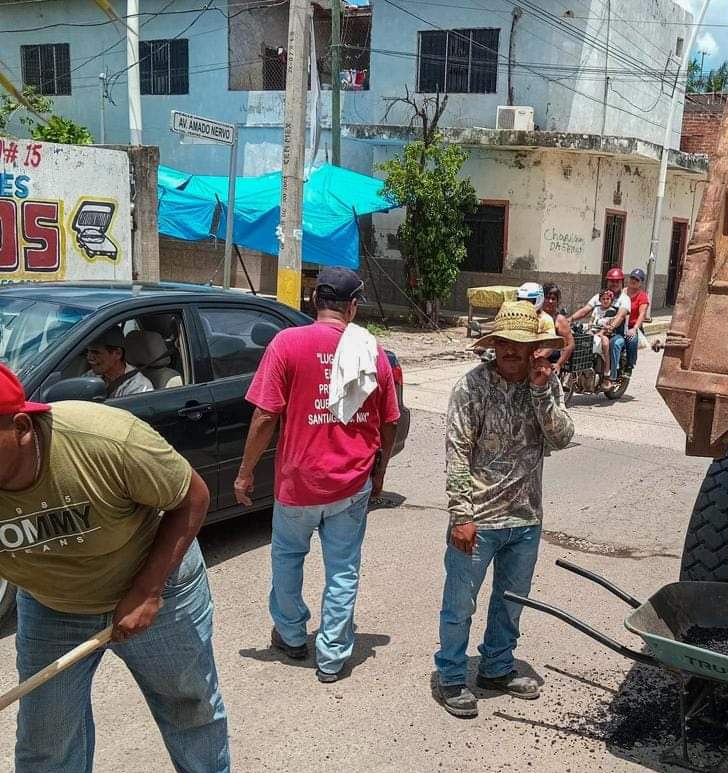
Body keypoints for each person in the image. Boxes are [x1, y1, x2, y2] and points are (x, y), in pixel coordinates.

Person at [0, 364, 260, 773]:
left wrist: (146, 591)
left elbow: (191, 497)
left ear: (20, 426)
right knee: (45, 734)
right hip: (52, 605)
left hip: (157, 585)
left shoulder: (102, 439)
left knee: (189, 700)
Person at [234, 267, 400, 684]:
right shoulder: (370, 349)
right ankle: (331, 658)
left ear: (314, 302)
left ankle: (291, 636)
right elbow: (390, 421)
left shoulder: (287, 343)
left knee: (288, 559)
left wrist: (245, 472)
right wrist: (380, 471)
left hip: (297, 483)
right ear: (354, 306)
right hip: (351, 482)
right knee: (343, 569)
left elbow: (265, 415)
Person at [434, 300, 574, 718]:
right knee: (460, 604)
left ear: (535, 347)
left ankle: (496, 666)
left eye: (522, 343)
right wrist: (461, 515)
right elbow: (457, 451)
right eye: (505, 343)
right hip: (478, 519)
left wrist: (541, 391)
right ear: (494, 344)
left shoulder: (545, 383)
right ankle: (452, 676)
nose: (512, 350)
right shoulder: (471, 387)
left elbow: (563, 437)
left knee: (511, 601)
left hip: (526, 518)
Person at [570, 267, 630, 385]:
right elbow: (585, 310)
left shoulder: (624, 299)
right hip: (596, 330)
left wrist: (611, 327)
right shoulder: (599, 296)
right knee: (580, 340)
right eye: (612, 281)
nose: (614, 283)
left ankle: (609, 376)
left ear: (622, 282)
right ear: (607, 281)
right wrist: (569, 319)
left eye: (617, 281)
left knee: (612, 344)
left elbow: (620, 316)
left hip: (615, 333)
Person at [85, 327, 153, 399]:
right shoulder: (91, 376)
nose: (89, 357)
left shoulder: (139, 387)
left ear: (118, 353)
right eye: (87, 352)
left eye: (96, 352)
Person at [541, 282, 576, 373]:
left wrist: (559, 364)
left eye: (553, 299)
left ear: (557, 301)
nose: (550, 301)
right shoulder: (536, 315)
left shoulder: (559, 320)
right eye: (547, 298)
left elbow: (570, 344)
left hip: (551, 358)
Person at [622, 267, 651, 374]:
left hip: (632, 326)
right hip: (619, 324)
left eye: (637, 279)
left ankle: (630, 365)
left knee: (632, 340)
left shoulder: (642, 296)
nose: (633, 281)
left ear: (641, 283)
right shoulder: (622, 292)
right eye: (632, 277)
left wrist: (634, 329)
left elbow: (642, 314)